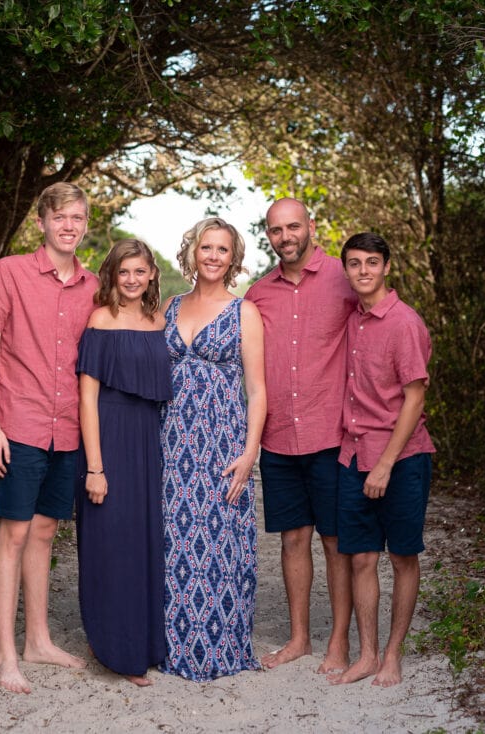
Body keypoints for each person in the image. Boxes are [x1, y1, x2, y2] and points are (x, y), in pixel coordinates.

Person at [0, 182, 97, 694]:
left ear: (85, 224)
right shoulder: (10, 272)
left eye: (77, 218)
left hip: (66, 429)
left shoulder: (93, 286)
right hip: (19, 424)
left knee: (46, 532)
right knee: (14, 533)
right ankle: (6, 652)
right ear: (41, 222)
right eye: (59, 217)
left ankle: (39, 640)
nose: (69, 226)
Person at [245, 198, 357, 674]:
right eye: (275, 230)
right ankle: (298, 639)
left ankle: (337, 641)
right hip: (279, 437)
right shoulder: (257, 295)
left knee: (334, 541)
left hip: (331, 432)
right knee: (293, 538)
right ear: (267, 235)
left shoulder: (344, 277)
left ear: (311, 226)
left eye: (293, 226)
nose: (285, 236)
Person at [160, 216, 266, 681]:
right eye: (206, 247)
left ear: (233, 258)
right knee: (171, 540)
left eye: (223, 249)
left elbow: (258, 391)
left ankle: (218, 644)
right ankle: (168, 644)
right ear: (193, 252)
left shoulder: (245, 312)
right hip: (168, 440)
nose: (213, 256)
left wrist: (250, 453)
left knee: (218, 538)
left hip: (222, 440)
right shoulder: (168, 304)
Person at [328, 231, 435, 688]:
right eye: (354, 263)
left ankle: (393, 654)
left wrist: (386, 464)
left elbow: (414, 399)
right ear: (347, 270)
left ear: (387, 266)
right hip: (353, 454)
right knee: (359, 559)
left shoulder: (405, 323)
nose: (363, 271)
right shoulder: (354, 318)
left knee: (403, 556)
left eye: (372, 262)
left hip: (402, 458)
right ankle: (368, 653)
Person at [75, 239, 172, 687]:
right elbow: (88, 398)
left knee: (143, 543)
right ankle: (115, 648)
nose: (132, 280)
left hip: (148, 441)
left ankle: (145, 644)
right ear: (112, 276)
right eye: (123, 272)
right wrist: (95, 467)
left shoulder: (159, 320)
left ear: (152, 273)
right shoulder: (100, 320)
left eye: (140, 271)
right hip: (109, 439)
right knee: (111, 544)